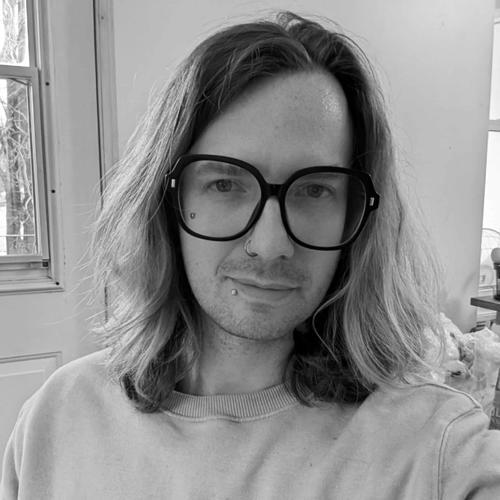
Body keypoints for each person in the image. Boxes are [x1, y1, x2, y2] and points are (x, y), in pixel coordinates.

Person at [2, 11, 500, 500]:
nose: (270, 244)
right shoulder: (56, 419)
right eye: (225, 184)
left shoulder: (436, 453)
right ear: (165, 201)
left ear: (357, 215)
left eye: (315, 190)